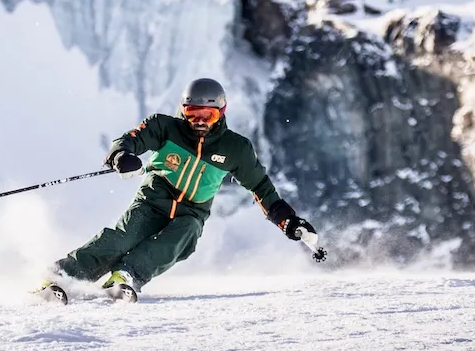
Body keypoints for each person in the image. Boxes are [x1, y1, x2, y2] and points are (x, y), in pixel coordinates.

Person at [39, 77, 318, 300]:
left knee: (181, 236)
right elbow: (127, 141)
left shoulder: (235, 148)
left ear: (220, 113)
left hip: (192, 211)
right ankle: (62, 276)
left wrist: (288, 221)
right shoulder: (164, 127)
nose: (198, 121)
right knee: (122, 238)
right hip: (153, 199)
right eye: (192, 113)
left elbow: (261, 187)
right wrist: (122, 157)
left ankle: (126, 276)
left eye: (206, 115)